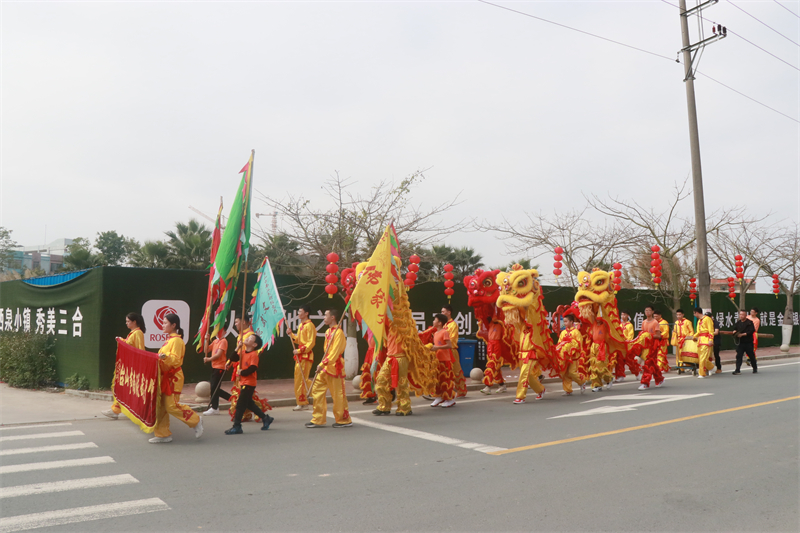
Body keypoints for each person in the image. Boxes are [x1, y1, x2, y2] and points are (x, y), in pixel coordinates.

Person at [151, 314, 203, 443]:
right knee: (161, 406)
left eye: (165, 323)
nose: (162, 325)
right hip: (165, 377)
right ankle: (163, 434)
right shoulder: (169, 340)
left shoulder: (177, 341)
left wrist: (164, 357)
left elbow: (176, 360)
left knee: (171, 406)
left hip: (173, 378)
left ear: (173, 325)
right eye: (162, 323)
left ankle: (196, 420)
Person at [306, 309, 352, 428]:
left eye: (326, 316)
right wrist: (323, 364)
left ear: (333, 317)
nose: (324, 318)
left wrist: (323, 363)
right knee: (316, 390)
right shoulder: (328, 331)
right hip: (326, 367)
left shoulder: (339, 333)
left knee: (338, 395)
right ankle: (318, 418)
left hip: (334, 367)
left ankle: (343, 419)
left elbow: (335, 353)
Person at [225, 334, 274, 434]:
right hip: (243, 382)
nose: (247, 338)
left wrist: (242, 372)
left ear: (255, 344)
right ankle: (265, 418)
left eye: (250, 339)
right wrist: (237, 347)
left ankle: (237, 426)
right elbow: (233, 358)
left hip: (249, 383)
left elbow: (253, 368)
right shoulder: (242, 352)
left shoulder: (254, 354)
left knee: (240, 404)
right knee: (249, 403)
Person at [103, 312, 146, 420]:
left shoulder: (137, 333)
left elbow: (140, 350)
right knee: (123, 388)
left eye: (128, 321)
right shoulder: (133, 333)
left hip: (133, 366)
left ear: (134, 322)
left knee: (127, 388)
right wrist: (122, 341)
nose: (126, 323)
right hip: (128, 366)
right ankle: (116, 410)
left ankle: (138, 410)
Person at [288, 305, 316, 411]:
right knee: (299, 379)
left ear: (306, 313)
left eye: (300, 311)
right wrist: (291, 335)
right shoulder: (301, 326)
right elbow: (299, 340)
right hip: (300, 356)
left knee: (302, 380)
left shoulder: (310, 326)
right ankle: (303, 401)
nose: (298, 313)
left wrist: (299, 350)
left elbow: (311, 343)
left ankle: (304, 401)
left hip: (305, 356)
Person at [429, 313, 457, 407]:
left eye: (435, 320)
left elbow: (449, 345)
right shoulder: (435, 333)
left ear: (440, 323)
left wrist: (437, 347)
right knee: (437, 380)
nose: (433, 321)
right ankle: (439, 397)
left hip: (445, 360)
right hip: (437, 360)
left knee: (446, 380)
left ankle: (450, 399)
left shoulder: (444, 332)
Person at [441, 305, 468, 398]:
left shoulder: (453, 325)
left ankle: (461, 390)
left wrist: (443, 342)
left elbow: (452, 339)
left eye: (443, 311)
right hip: (443, 351)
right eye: (441, 312)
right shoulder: (444, 325)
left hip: (451, 351)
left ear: (449, 312)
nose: (442, 313)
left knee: (456, 371)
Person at [202, 331, 231, 416]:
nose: (218, 332)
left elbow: (218, 355)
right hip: (214, 367)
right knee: (215, 387)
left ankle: (214, 407)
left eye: (220, 331)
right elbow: (206, 350)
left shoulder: (223, 341)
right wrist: (206, 341)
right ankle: (232, 399)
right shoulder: (215, 341)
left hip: (220, 367)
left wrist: (209, 359)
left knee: (214, 387)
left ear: (225, 332)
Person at [555, 314, 585, 395]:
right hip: (565, 357)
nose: (564, 323)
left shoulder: (576, 332)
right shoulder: (563, 332)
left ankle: (581, 382)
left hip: (574, 357)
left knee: (572, 372)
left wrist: (572, 346)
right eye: (563, 321)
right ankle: (568, 390)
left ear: (571, 322)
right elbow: (559, 343)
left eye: (566, 321)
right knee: (564, 373)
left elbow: (579, 344)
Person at [638, 306, 665, 390]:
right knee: (652, 364)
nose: (647, 312)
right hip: (645, 346)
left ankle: (645, 382)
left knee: (648, 364)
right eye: (646, 310)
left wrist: (649, 336)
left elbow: (658, 335)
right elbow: (642, 334)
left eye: (649, 310)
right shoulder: (644, 322)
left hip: (653, 346)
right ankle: (659, 379)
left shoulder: (655, 322)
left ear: (652, 312)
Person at [733, 310, 757, 375]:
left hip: (748, 342)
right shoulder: (738, 323)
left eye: (742, 315)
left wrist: (743, 334)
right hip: (740, 343)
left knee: (751, 355)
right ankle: (737, 370)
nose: (741, 316)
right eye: (740, 314)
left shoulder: (749, 323)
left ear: (746, 315)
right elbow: (735, 329)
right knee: (739, 356)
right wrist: (735, 332)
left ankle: (754, 368)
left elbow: (751, 331)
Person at [692, 307, 715, 378]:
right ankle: (711, 367)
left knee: (703, 358)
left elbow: (711, 330)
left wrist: (710, 340)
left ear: (697, 312)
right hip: (700, 340)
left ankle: (702, 373)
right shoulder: (699, 321)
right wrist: (694, 336)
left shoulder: (707, 319)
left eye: (694, 313)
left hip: (706, 340)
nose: (694, 315)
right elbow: (698, 332)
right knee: (701, 357)